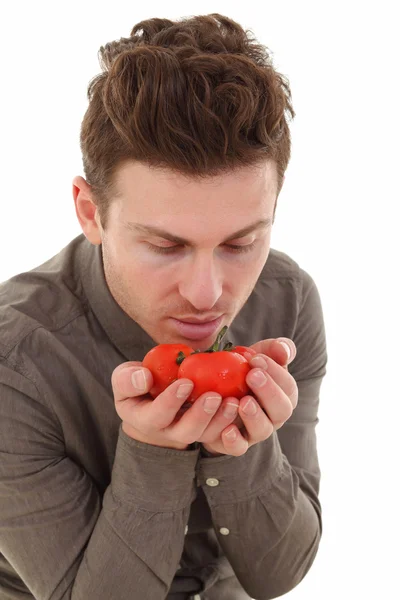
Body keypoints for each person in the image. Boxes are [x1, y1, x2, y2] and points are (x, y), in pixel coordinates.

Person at [0, 12, 328, 600]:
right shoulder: (12, 361)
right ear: (88, 211)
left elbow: (278, 575)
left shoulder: (289, 299)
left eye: (241, 243)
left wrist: (251, 449)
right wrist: (154, 452)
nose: (208, 295)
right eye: (165, 245)